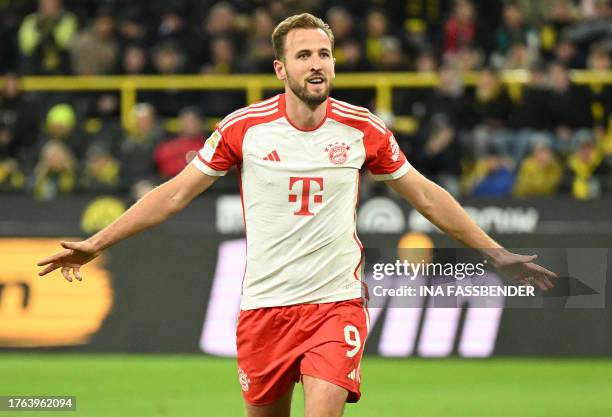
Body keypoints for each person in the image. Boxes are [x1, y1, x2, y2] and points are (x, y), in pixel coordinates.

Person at [37, 13, 557, 417]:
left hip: (335, 305)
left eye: (325, 54)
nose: (317, 64)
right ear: (281, 69)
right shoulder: (246, 129)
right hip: (264, 309)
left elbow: (425, 196)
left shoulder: (363, 129)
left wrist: (496, 253)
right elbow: (174, 195)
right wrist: (99, 241)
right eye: (304, 54)